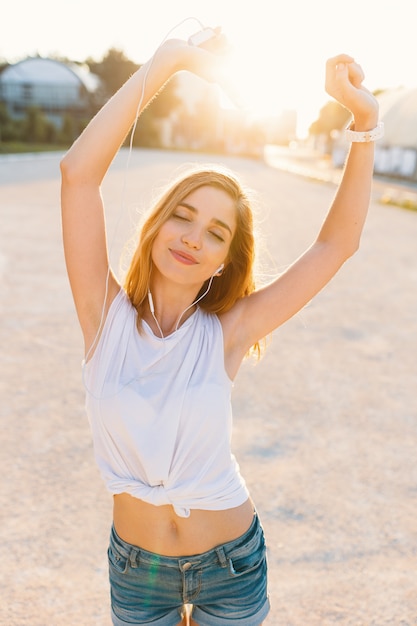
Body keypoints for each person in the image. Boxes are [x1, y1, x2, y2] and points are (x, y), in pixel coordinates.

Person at [60, 24, 380, 626]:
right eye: (182, 217)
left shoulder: (228, 331)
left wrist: (365, 125)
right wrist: (170, 62)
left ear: (226, 260)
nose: (192, 238)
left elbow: (337, 244)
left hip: (230, 564)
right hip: (137, 570)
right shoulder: (103, 319)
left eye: (215, 232)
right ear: (156, 225)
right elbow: (78, 172)